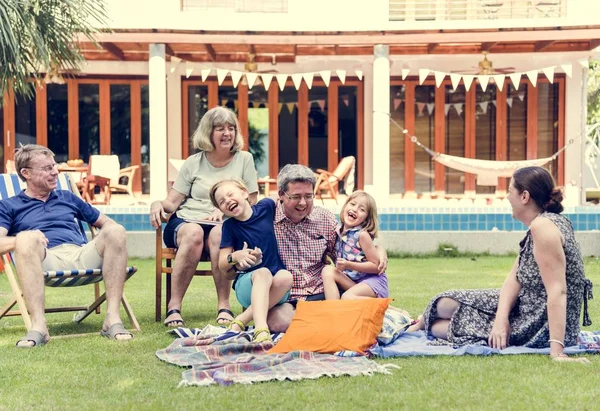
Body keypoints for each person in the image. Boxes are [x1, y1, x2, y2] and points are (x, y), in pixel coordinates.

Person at [408, 166, 593, 363]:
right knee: (442, 304)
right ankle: (423, 321)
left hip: (540, 323)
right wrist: (500, 320)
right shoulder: (541, 224)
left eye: (510, 191)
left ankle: (424, 322)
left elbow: (558, 290)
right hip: (526, 306)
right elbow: (514, 278)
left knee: (438, 327)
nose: (506, 197)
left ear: (524, 196)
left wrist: (557, 351)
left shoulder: (543, 227)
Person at [0, 144, 134, 347]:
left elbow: (107, 223)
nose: (55, 172)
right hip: (44, 259)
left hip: (80, 254)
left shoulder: (68, 197)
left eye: (54, 166)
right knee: (26, 237)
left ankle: (112, 319)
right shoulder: (9, 205)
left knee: (116, 230)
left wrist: (109, 237)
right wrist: (26, 239)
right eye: (47, 168)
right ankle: (39, 327)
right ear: (26, 173)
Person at [149, 107, 259, 327]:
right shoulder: (193, 162)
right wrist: (157, 203)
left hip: (224, 225)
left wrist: (226, 208)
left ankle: (224, 306)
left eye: (231, 128)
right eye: (220, 128)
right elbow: (173, 202)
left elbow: (253, 200)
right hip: (186, 222)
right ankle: (174, 307)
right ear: (208, 133)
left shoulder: (244, 159)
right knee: (194, 232)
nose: (227, 133)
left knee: (220, 233)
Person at [266, 164, 388, 332]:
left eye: (308, 196)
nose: (303, 203)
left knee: (341, 313)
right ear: (281, 195)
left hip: (322, 292)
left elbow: (349, 248)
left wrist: (379, 250)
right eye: (296, 197)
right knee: (277, 323)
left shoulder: (325, 218)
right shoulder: (268, 220)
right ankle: (328, 322)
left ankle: (333, 320)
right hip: (288, 296)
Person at [210, 180, 292, 342]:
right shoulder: (229, 227)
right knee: (263, 272)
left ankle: (242, 319)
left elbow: (282, 194)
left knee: (286, 276)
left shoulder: (266, 207)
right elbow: (222, 265)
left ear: (244, 193)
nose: (227, 201)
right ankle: (261, 330)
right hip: (248, 285)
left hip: (277, 288)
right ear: (221, 209)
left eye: (230, 194)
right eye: (222, 202)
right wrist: (236, 256)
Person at [322, 190, 389, 300]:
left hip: (372, 284)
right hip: (355, 282)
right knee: (328, 271)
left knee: (347, 297)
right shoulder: (337, 230)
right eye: (352, 204)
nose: (355, 209)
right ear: (345, 206)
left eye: (362, 209)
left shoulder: (362, 235)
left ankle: (384, 306)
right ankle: (333, 311)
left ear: (367, 218)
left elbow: (376, 266)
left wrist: (349, 265)